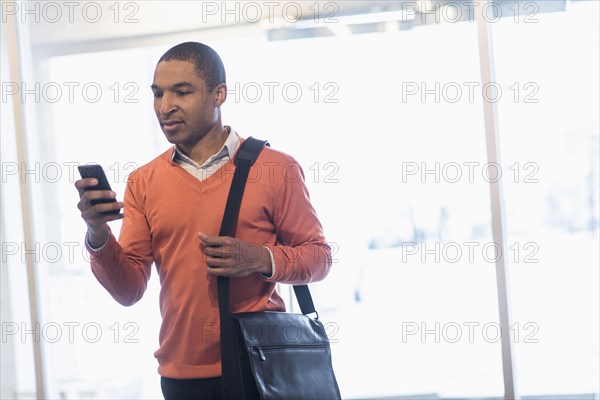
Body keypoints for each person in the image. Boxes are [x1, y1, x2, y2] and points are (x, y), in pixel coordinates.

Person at [74, 42, 332, 400]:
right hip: (182, 376)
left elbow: (319, 258)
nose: (165, 107)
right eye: (158, 94)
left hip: (261, 367)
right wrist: (98, 233)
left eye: (182, 92)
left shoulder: (276, 168)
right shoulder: (143, 181)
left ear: (219, 94)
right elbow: (129, 290)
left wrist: (259, 258)